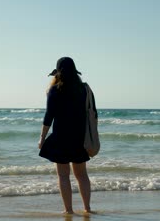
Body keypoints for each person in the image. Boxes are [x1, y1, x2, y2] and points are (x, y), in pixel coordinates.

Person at [38, 57, 97, 215]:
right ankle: (87, 208)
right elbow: (93, 113)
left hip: (60, 138)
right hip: (79, 137)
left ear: (58, 72)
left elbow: (48, 116)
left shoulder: (55, 90)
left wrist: (42, 138)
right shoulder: (84, 89)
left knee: (63, 176)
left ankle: (68, 210)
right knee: (82, 175)